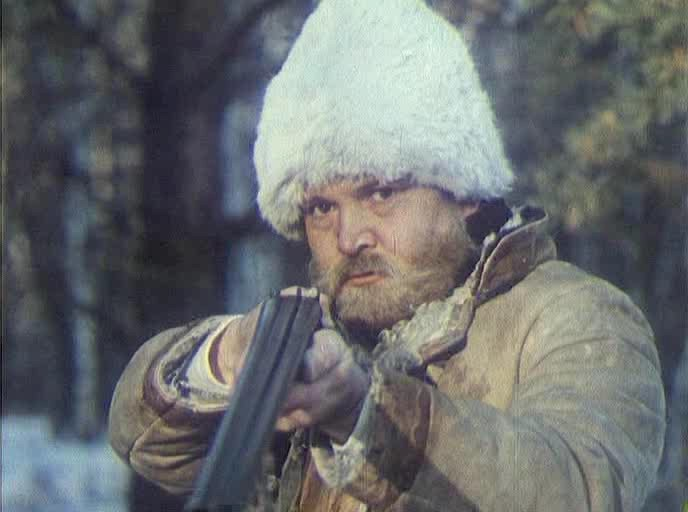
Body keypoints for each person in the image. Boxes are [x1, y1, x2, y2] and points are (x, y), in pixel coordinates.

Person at [108, 0, 666, 510]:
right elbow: (143, 439)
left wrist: (365, 413)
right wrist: (226, 359)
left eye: (380, 193)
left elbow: (580, 489)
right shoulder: (323, 334)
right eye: (321, 207)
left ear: (464, 192)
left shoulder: (578, 316)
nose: (348, 237)